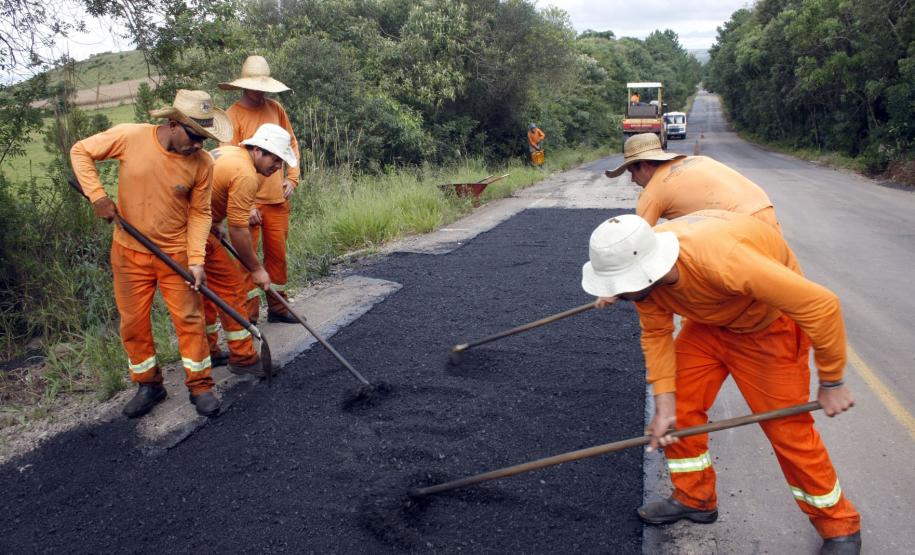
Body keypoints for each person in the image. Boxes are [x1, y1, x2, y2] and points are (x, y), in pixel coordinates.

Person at [581, 211, 861, 555]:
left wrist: (832, 381)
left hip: (767, 328)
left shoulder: (725, 261)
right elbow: (656, 334)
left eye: (620, 285)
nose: (616, 294)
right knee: (678, 408)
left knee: (788, 430)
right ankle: (694, 497)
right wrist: (665, 406)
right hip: (709, 325)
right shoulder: (643, 285)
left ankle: (839, 526)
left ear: (647, 270)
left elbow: (822, 305)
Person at [70, 89, 233, 418]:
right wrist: (97, 196)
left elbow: (200, 213)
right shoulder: (131, 137)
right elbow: (80, 151)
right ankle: (149, 384)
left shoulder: (202, 163)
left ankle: (200, 385)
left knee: (189, 319)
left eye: (204, 138)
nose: (199, 145)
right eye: (194, 136)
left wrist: (196, 260)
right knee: (133, 322)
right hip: (129, 252)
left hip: (175, 252)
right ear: (173, 124)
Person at [205, 124, 298, 377]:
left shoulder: (230, 153)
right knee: (233, 288)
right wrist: (256, 269)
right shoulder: (246, 174)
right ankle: (243, 358)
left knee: (203, 293)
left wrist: (214, 223)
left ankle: (209, 351)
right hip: (191, 233)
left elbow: (208, 192)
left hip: (191, 227)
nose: (278, 167)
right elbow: (239, 230)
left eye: (281, 162)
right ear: (257, 150)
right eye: (275, 159)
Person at [219, 55, 301, 324]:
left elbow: (290, 143)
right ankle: (249, 316)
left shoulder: (276, 109)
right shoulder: (232, 115)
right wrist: (248, 206)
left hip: (277, 199)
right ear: (244, 85)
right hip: (246, 203)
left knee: (277, 257)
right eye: (253, 86)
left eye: (262, 86)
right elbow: (229, 160)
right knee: (247, 260)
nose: (258, 91)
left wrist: (293, 177)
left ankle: (278, 307)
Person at [605, 133, 780, 229]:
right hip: (764, 210)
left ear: (643, 165)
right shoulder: (696, 160)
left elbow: (637, 240)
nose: (632, 179)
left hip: (740, 226)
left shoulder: (653, 192)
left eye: (632, 172)